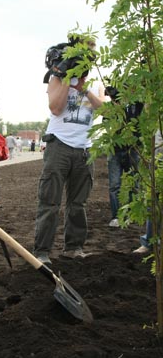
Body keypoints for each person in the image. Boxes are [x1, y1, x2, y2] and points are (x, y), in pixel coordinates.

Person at [33, 50, 105, 265]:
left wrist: (84, 89)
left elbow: (105, 110)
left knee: (78, 204)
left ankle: (74, 248)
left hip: (85, 149)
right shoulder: (57, 79)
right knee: (50, 202)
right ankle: (42, 252)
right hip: (59, 146)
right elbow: (55, 108)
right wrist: (66, 77)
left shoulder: (95, 83)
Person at [105, 87, 143, 228]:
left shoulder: (136, 104)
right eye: (113, 99)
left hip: (133, 149)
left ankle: (134, 215)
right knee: (114, 185)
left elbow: (143, 93)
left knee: (135, 184)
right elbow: (108, 128)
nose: (116, 101)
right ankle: (116, 217)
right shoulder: (109, 110)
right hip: (114, 151)